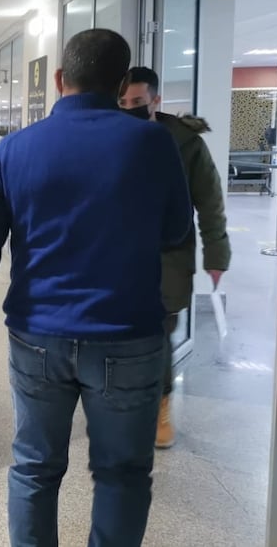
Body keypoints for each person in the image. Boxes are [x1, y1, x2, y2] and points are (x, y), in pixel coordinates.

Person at [0, 29, 191, 547]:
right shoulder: (152, 144)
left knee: (34, 469)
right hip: (128, 336)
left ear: (59, 80)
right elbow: (176, 232)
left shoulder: (13, 151)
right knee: (122, 475)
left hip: (37, 337)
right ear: (122, 84)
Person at [119, 66, 231, 449]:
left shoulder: (185, 144)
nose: (130, 108)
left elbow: (210, 202)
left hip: (169, 255)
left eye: (138, 101)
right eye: (123, 102)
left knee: (159, 333)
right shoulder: (111, 138)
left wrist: (216, 252)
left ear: (156, 100)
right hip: (121, 254)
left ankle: (160, 408)